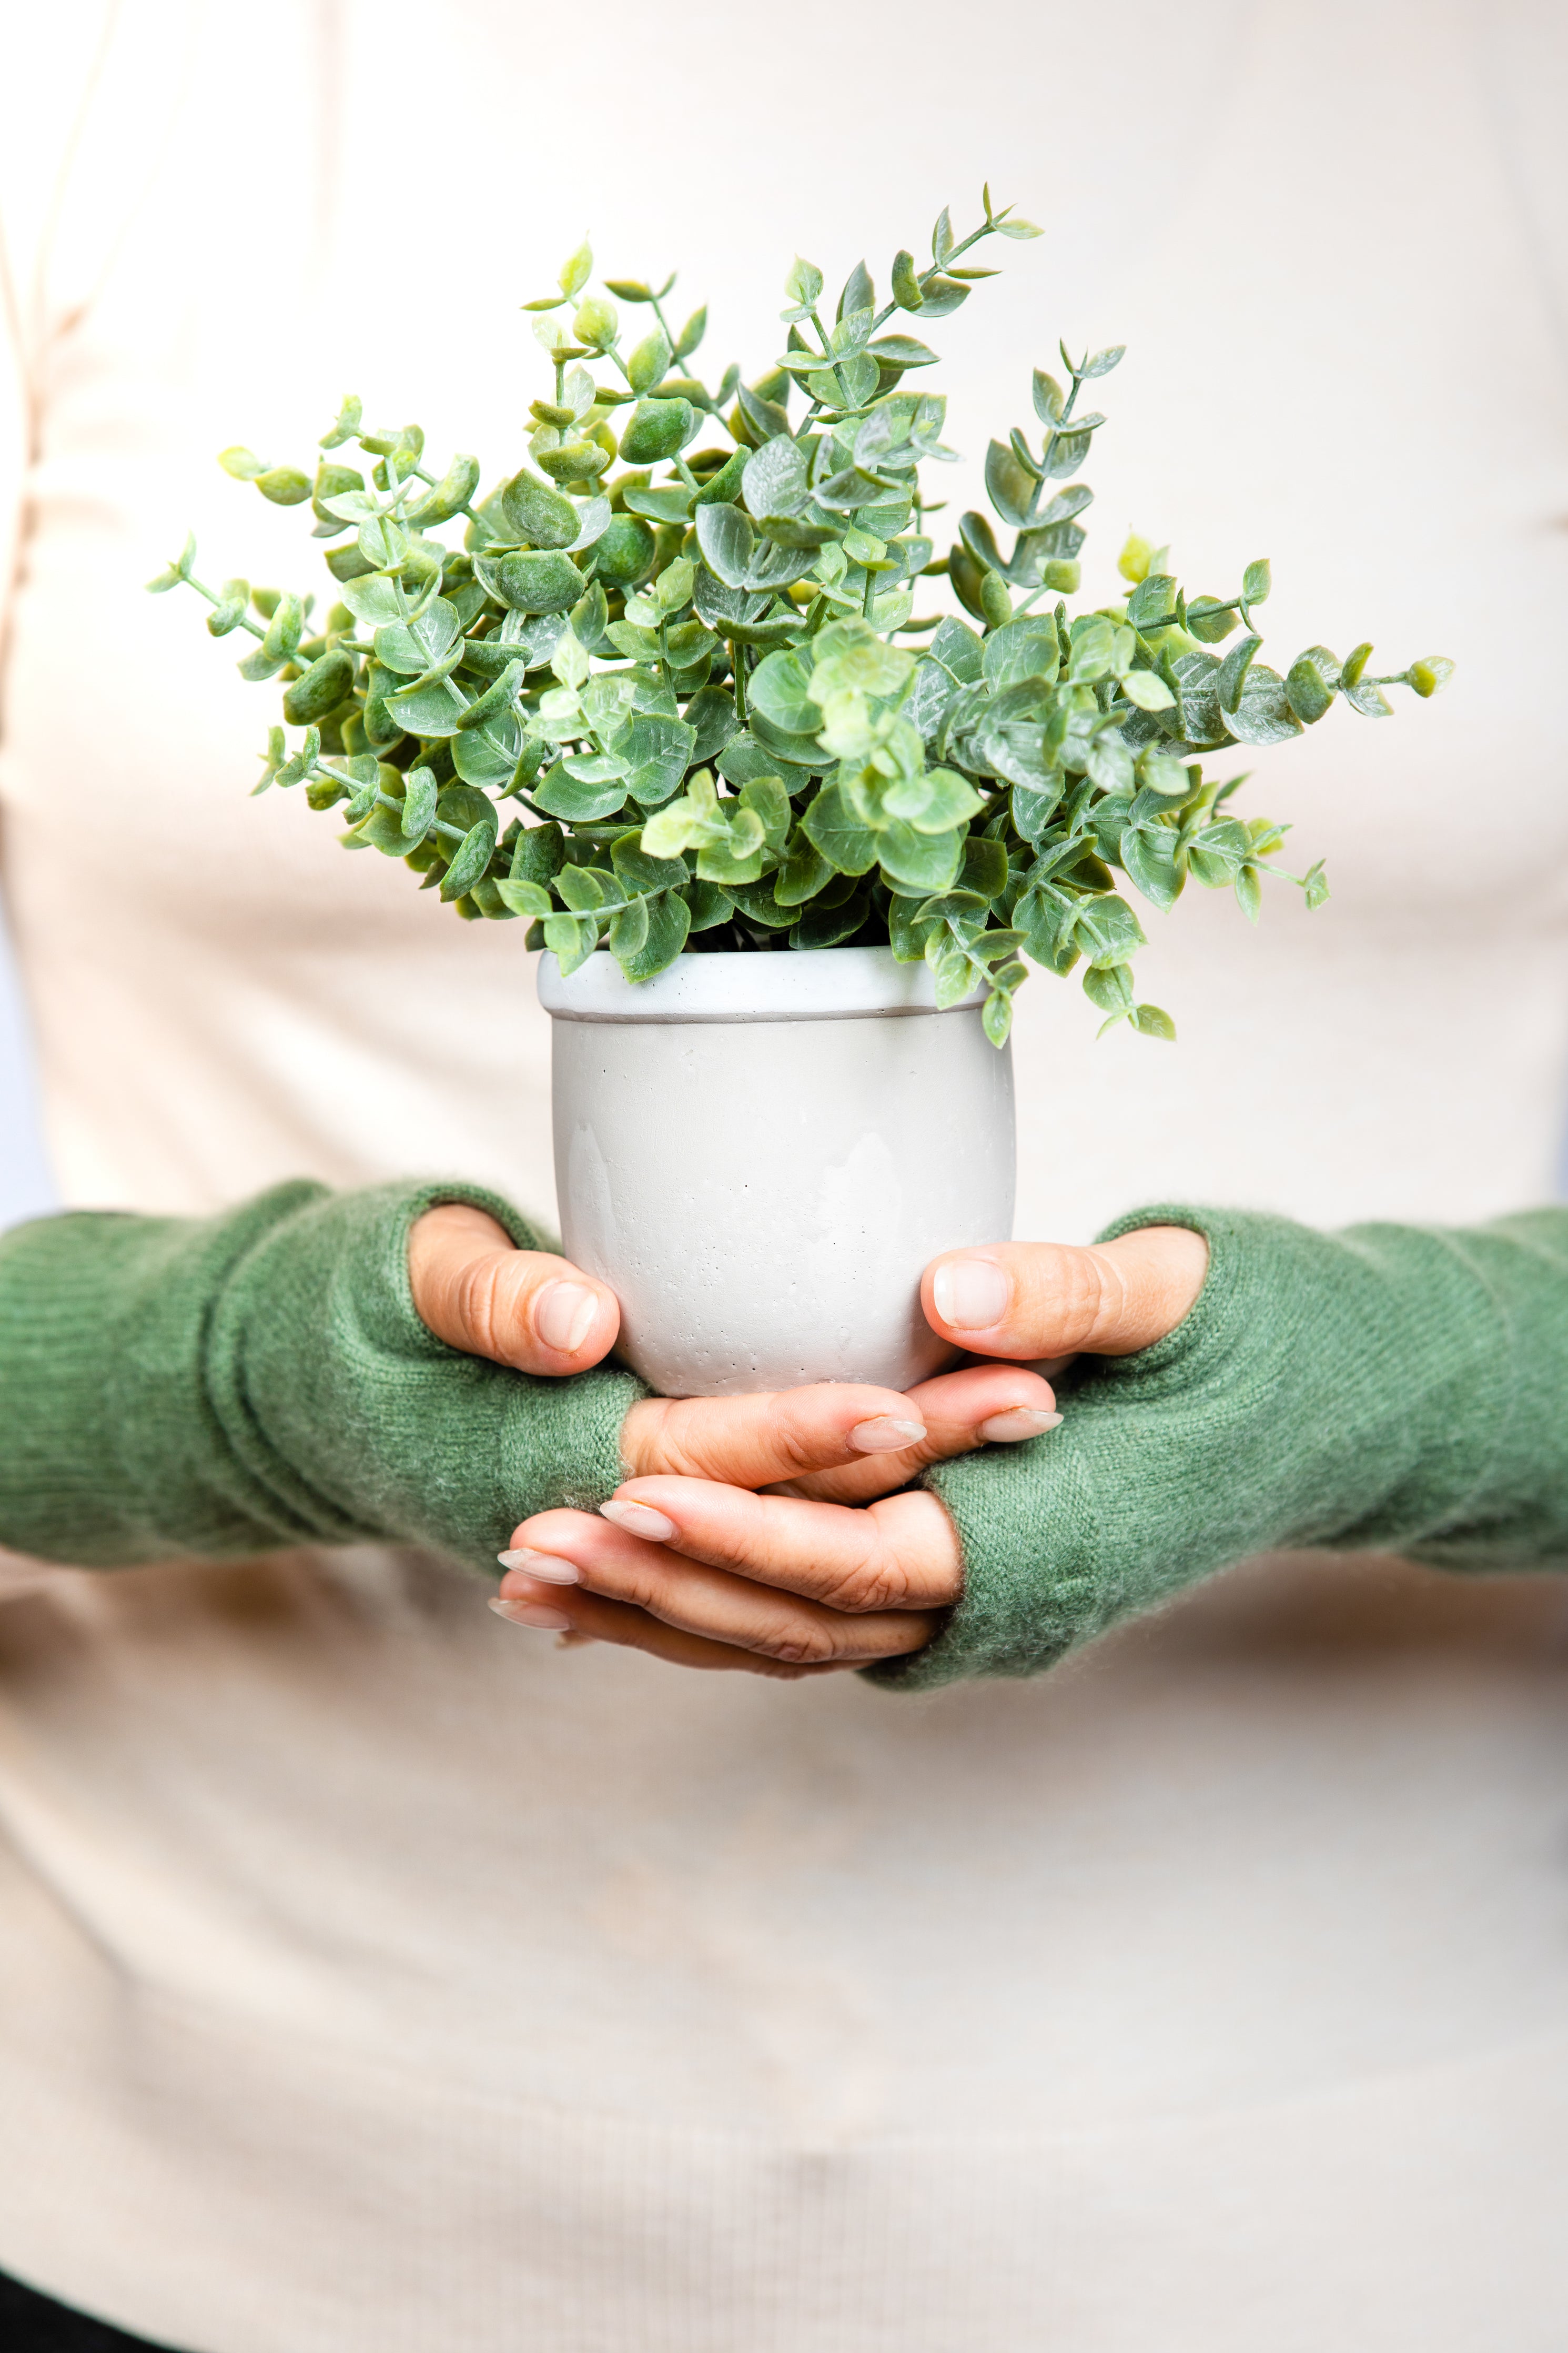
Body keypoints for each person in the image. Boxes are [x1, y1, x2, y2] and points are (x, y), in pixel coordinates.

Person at [3, 3, 1567, 2348]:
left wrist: (1394, 1387)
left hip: (1398, 2228)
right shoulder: (108, 66)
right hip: (194, 2204)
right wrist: (246, 1376)